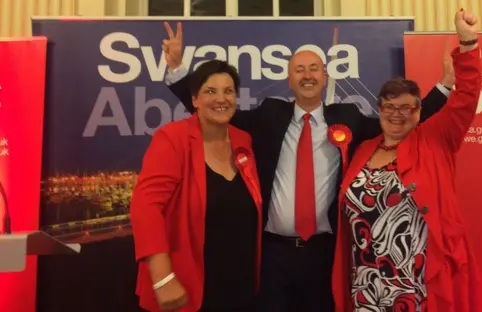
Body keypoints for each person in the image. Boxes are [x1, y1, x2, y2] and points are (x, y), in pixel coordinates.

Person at [160, 23, 452, 312]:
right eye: (299, 70)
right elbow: (214, 111)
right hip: (273, 254)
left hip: (325, 254)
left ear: (324, 76)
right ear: (289, 79)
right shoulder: (269, 114)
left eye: (314, 69)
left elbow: (402, 121)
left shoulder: (347, 116)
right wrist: (177, 71)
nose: (307, 75)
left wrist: (445, 86)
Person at [331, 10, 482, 312]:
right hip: (367, 285)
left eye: (406, 108)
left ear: (419, 112)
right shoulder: (363, 151)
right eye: (389, 107)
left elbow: (467, 97)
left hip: (418, 284)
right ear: (379, 109)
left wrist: (467, 42)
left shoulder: (434, 140)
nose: (397, 114)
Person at [130, 60, 262, 312]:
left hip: (239, 289)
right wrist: (163, 278)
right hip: (185, 287)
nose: (221, 99)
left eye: (228, 91)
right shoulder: (173, 138)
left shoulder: (243, 140)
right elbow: (145, 206)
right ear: (195, 100)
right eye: (210, 91)